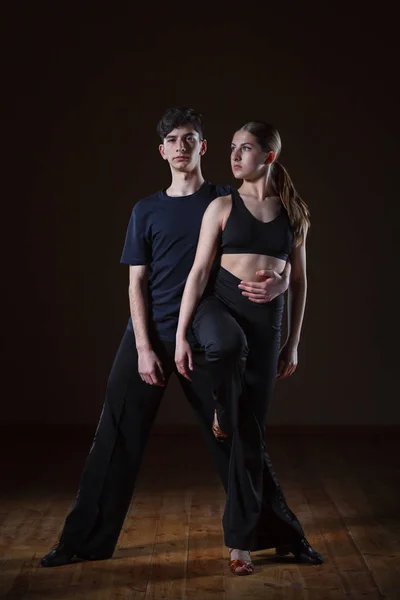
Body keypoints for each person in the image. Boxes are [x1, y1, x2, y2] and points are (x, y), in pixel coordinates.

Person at [40, 108, 290, 569]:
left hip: (204, 332)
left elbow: (274, 238)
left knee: (238, 438)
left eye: (189, 138)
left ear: (203, 147)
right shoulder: (146, 210)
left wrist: (283, 279)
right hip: (150, 333)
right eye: (172, 140)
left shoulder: (225, 200)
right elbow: (136, 283)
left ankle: (282, 536)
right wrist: (142, 346)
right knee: (114, 436)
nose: (180, 146)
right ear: (162, 151)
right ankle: (80, 542)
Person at [175, 121, 323, 575]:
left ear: (269, 157)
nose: (235, 156)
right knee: (227, 347)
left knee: (250, 437)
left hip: (267, 326)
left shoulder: (293, 213)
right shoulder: (222, 205)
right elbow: (199, 272)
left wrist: (292, 344)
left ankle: (241, 545)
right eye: (233, 148)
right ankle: (223, 405)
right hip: (220, 308)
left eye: (246, 148)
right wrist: (182, 334)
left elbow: (298, 282)